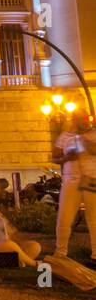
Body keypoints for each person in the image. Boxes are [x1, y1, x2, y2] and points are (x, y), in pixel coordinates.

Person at [53, 109, 96, 260]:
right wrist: (66, 157)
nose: (83, 121)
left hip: (91, 179)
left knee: (94, 219)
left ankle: (95, 254)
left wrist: (84, 140)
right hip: (71, 180)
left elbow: (94, 150)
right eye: (79, 118)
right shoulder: (65, 137)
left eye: (85, 118)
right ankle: (60, 253)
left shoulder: (93, 134)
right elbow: (54, 158)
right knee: (64, 218)